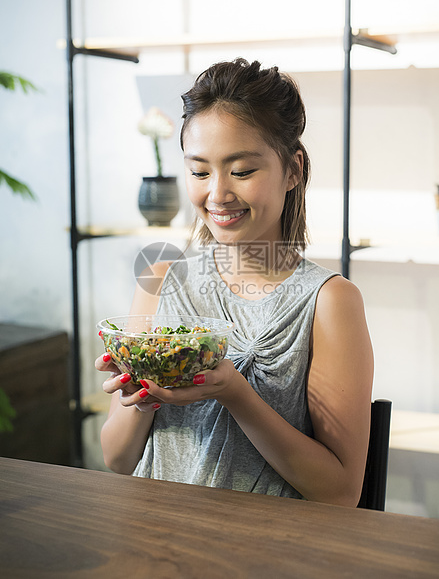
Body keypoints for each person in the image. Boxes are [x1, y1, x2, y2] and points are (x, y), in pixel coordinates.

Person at [97, 58, 373, 507]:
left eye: (242, 171)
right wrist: (142, 397)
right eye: (200, 171)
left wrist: (234, 394)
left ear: (293, 170)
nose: (218, 194)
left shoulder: (329, 301)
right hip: (157, 536)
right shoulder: (160, 278)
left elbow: (340, 493)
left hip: (266, 550)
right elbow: (116, 458)